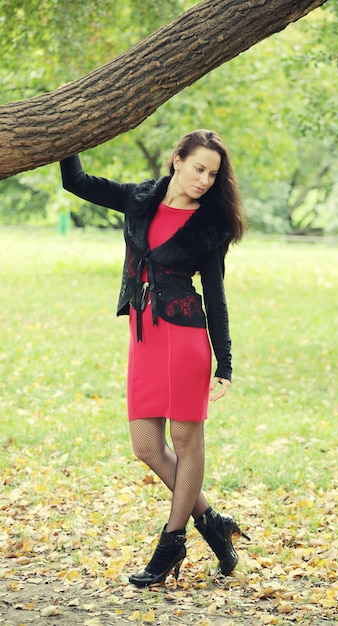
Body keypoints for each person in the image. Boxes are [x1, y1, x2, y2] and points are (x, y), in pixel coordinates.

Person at [60, 129, 249, 588]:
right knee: (146, 447)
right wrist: (65, 131)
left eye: (212, 173)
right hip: (143, 336)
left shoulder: (211, 226)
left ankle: (171, 542)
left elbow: (216, 298)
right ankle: (214, 524)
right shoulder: (140, 198)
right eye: (198, 167)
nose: (204, 179)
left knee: (186, 442)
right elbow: (77, 182)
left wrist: (224, 364)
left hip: (186, 340)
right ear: (177, 160)